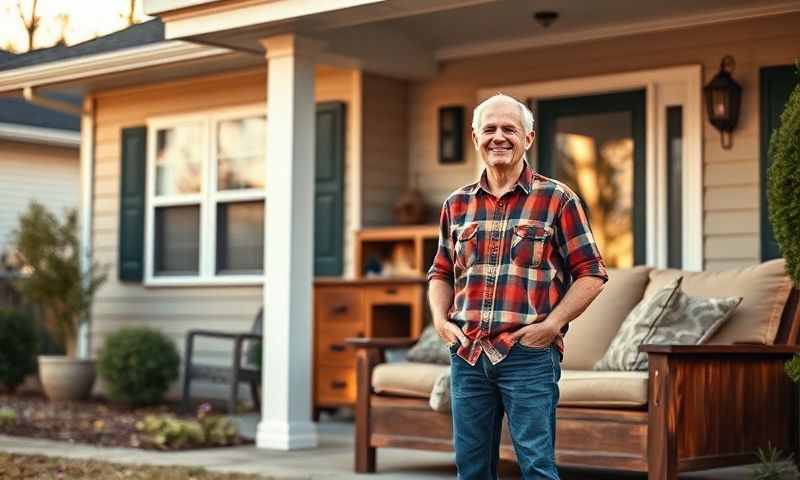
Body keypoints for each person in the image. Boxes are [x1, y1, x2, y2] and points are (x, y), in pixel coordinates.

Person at [427, 93, 608, 480]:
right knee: (472, 470)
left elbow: (591, 273)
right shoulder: (456, 205)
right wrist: (442, 325)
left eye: (509, 129)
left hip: (528, 357)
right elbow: (440, 272)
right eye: (489, 129)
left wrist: (551, 326)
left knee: (537, 469)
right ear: (475, 138)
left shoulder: (557, 199)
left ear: (528, 138)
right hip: (469, 355)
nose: (499, 137)